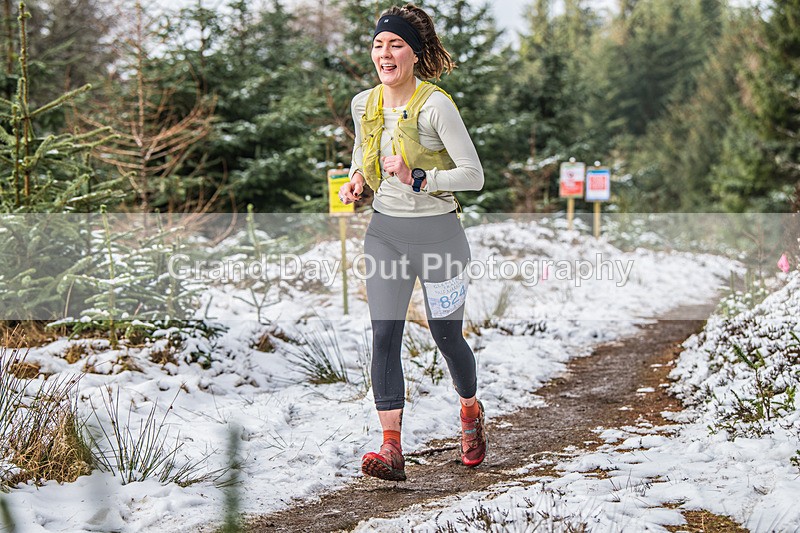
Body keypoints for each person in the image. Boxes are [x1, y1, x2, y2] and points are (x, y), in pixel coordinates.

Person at [338, 3, 486, 482]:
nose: (385, 53)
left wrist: (420, 177)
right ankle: (391, 447)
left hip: (439, 234)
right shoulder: (365, 104)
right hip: (385, 232)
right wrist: (357, 179)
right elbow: (364, 152)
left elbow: (474, 176)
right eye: (379, 44)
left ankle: (469, 411)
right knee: (385, 335)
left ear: (415, 53)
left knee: (446, 336)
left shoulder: (436, 105)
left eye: (396, 44)